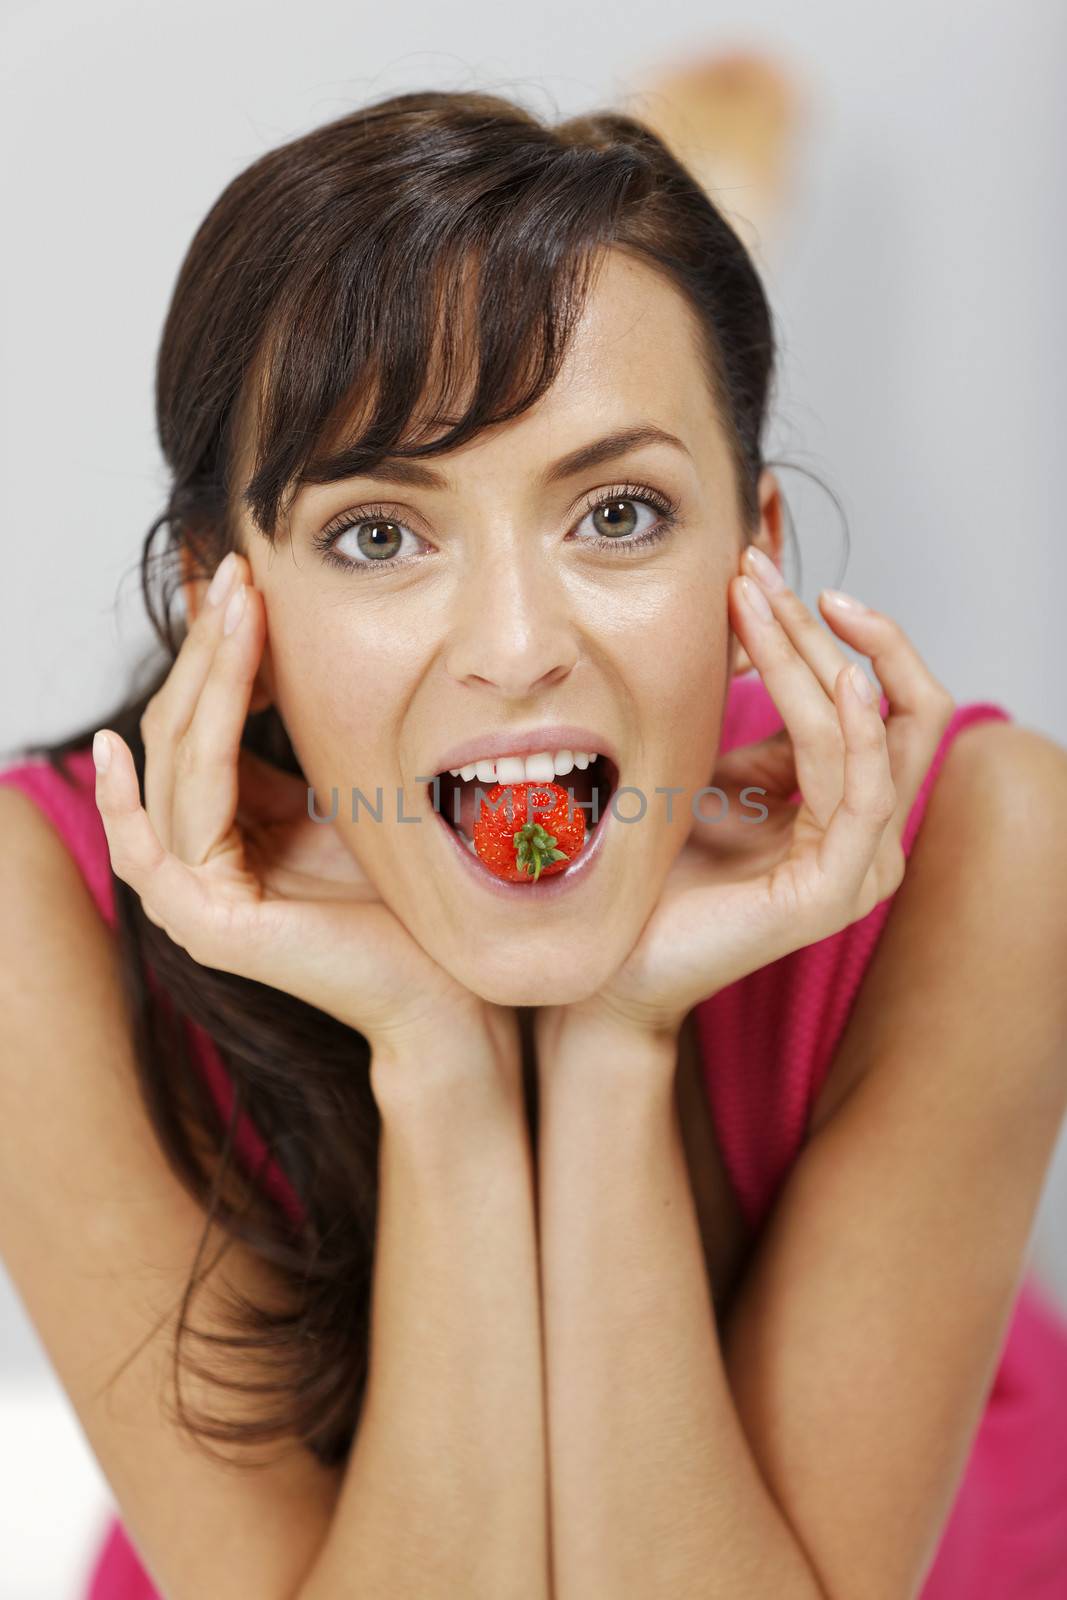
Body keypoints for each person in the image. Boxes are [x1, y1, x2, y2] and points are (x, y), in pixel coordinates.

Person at [1, 85, 1065, 1600]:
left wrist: (614, 1041)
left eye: (619, 513)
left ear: (753, 556)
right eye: (380, 533)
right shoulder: (34, 906)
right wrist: (435, 1056)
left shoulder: (991, 837)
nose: (515, 645)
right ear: (221, 600)